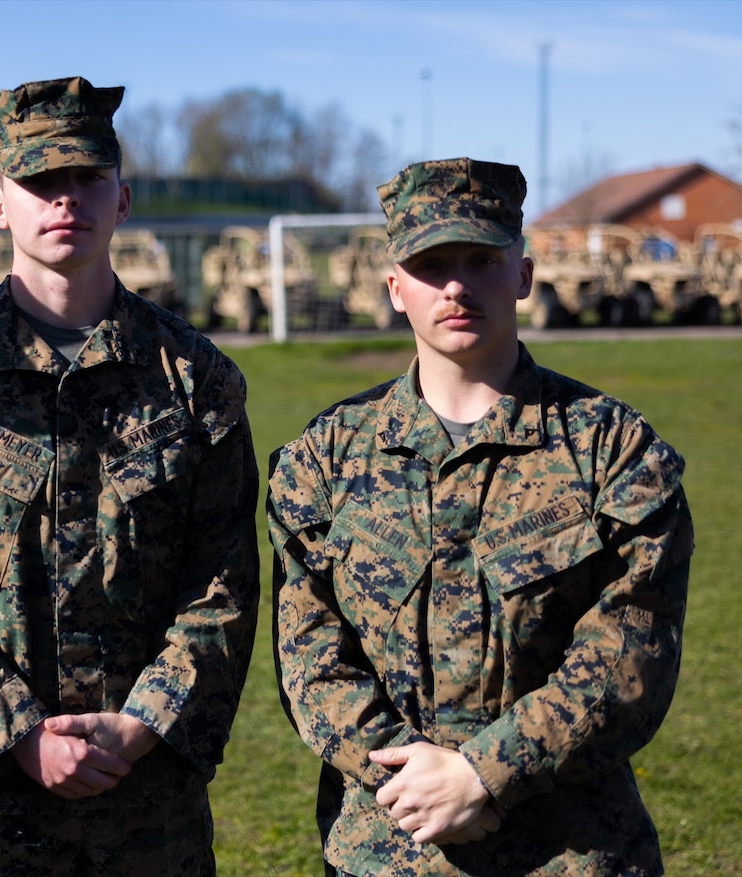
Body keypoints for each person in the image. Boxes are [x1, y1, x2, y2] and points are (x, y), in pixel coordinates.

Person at [0, 76, 260, 876]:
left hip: (149, 813)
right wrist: (14, 732)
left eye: (88, 178)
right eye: (40, 181)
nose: (65, 199)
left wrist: (145, 721)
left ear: (123, 200)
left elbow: (222, 578)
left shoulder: (194, 378)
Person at [267, 157, 694, 876]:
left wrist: (483, 774)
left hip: (573, 852)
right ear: (395, 287)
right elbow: (308, 657)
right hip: (387, 849)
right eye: (431, 264)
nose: (458, 285)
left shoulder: (614, 449)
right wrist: (411, 785)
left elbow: (632, 653)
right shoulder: (325, 457)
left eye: (481, 259)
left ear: (523, 275)